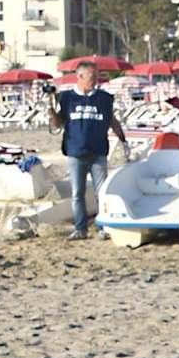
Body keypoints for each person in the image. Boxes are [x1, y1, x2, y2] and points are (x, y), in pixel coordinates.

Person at [51, 60, 129, 239]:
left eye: (96, 77)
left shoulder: (104, 99)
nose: (95, 80)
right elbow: (57, 124)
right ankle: (80, 229)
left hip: (98, 152)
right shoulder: (67, 98)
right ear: (80, 77)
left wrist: (123, 140)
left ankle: (104, 227)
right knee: (77, 193)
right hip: (75, 152)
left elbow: (112, 120)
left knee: (101, 193)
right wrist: (50, 111)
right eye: (91, 77)